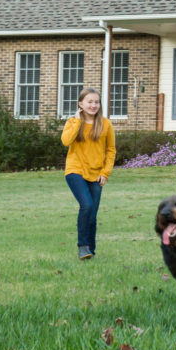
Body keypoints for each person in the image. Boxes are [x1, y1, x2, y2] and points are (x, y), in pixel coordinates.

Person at [61, 87, 116, 260]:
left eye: (96, 102)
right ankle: (82, 246)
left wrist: (105, 173)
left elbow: (111, 150)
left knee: (92, 214)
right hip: (75, 170)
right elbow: (65, 141)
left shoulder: (105, 124)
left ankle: (90, 250)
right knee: (86, 205)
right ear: (80, 104)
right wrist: (77, 121)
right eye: (89, 102)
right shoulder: (72, 122)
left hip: (96, 174)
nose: (93, 105)